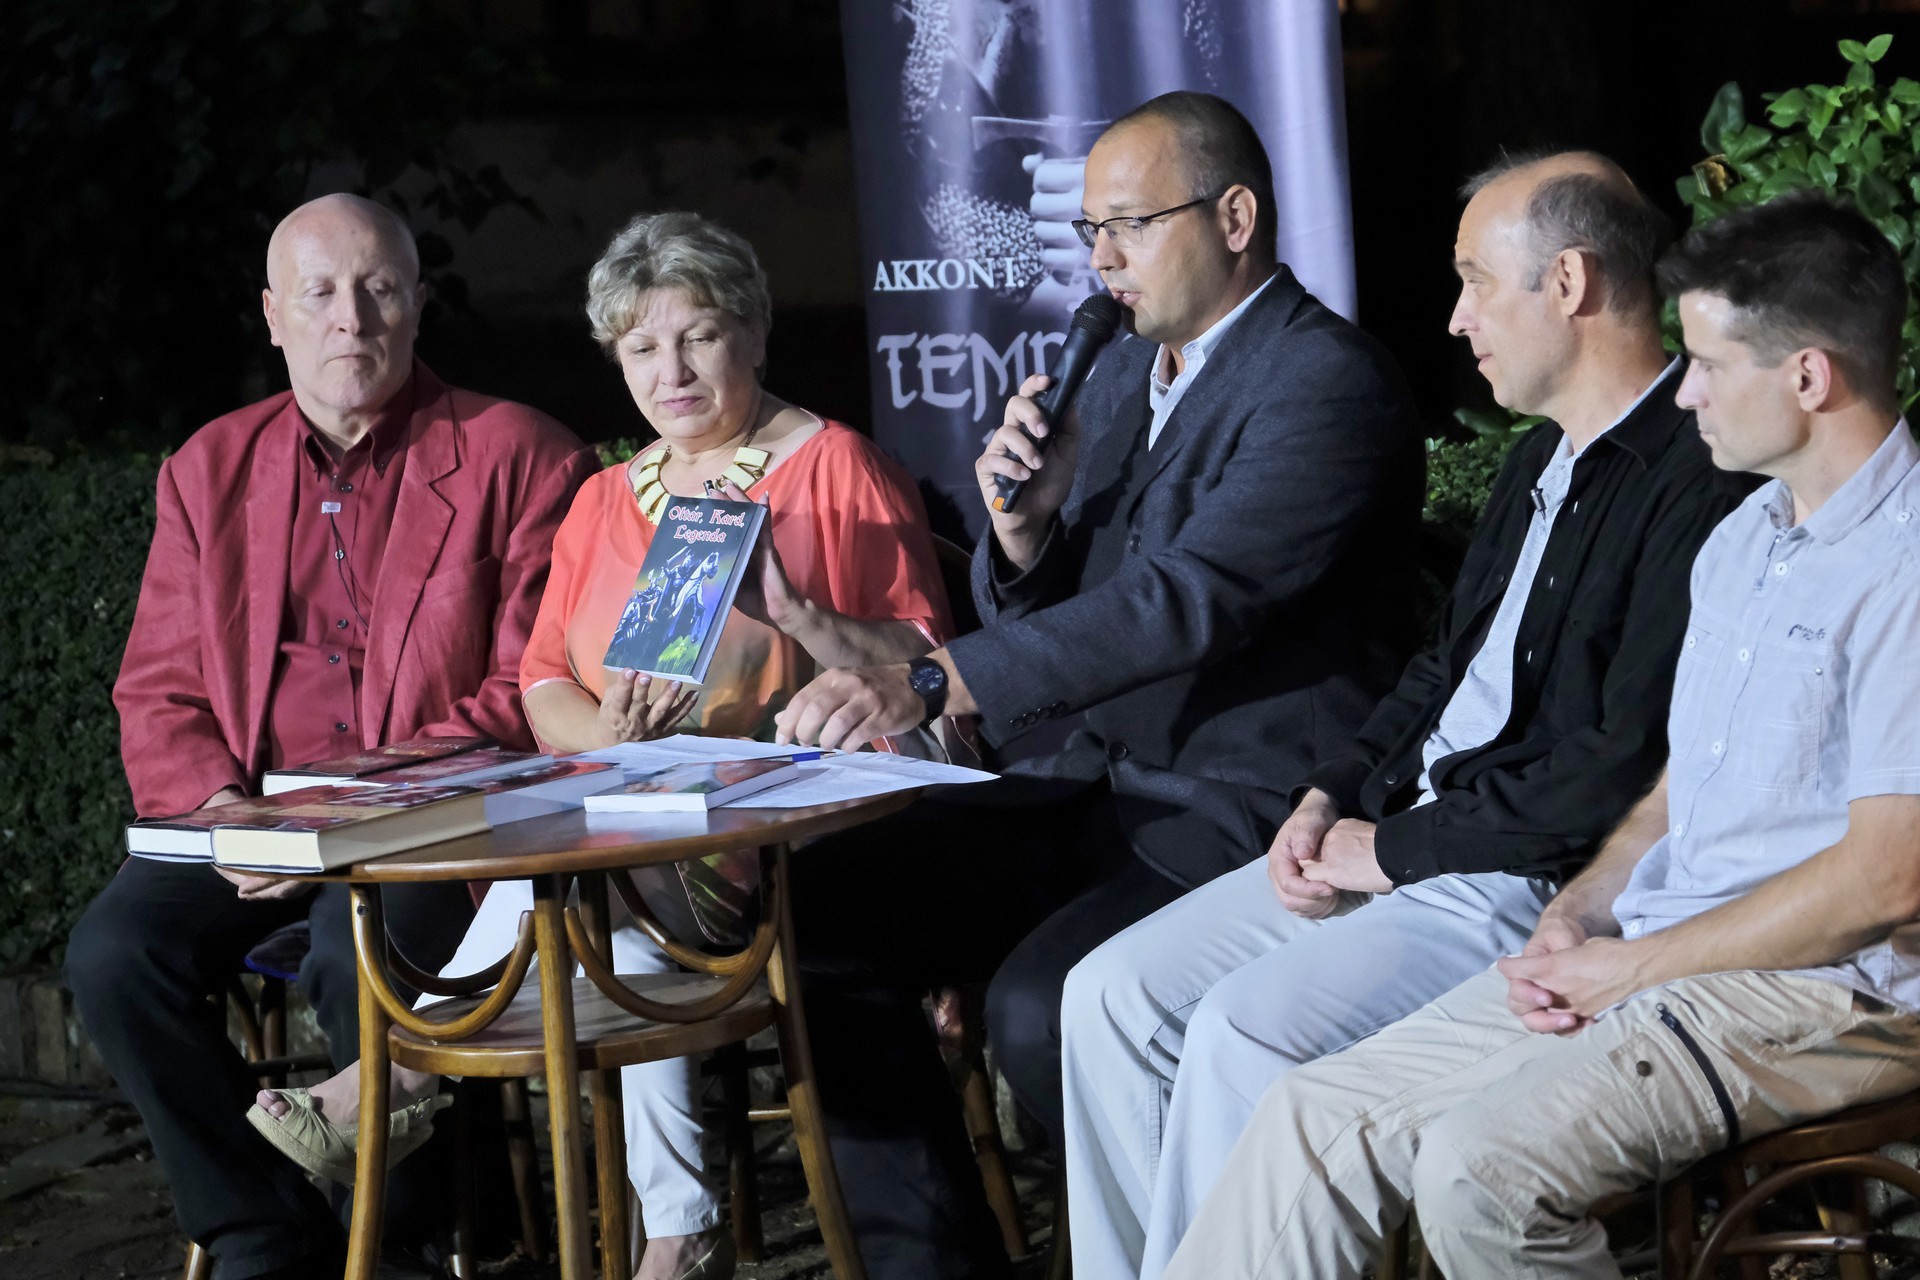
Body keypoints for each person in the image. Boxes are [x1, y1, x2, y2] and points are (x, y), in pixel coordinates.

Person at [1162, 192, 1920, 1280]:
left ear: (1808, 377)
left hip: (1828, 992)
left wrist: (1633, 963)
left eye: (1709, 364)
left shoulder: (1903, 565)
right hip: (1665, 952)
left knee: (1479, 1170)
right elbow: (1678, 789)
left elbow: (1889, 878)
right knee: (1307, 1116)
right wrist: (1582, 911)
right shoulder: (1747, 538)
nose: (1685, 390)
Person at [1056, 150, 1762, 1279]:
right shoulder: (1536, 458)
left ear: (1569, 284)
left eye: (1475, 281)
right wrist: (1329, 795)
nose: (1454, 318)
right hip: (1403, 839)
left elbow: (1621, 766)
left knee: (1243, 1031)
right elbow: (1439, 672)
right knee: (1108, 994)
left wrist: (1388, 850)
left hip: (1526, 877)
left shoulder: (1705, 476)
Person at [771, 91, 1426, 1279]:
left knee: (1040, 1005)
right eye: (1091, 231)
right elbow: (1062, 613)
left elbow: (1187, 600)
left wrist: (933, 677)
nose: (1102, 258)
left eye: (1130, 224)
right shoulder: (1120, 373)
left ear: (1235, 217)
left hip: (1240, 804)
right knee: (821, 909)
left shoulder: (1326, 382)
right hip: (1094, 783)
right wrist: (1025, 535)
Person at [255, 210, 953, 1280]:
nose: (671, 372)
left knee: (587, 872)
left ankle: (397, 1076)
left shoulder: (833, 466)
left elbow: (927, 664)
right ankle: (679, 1236)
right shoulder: (603, 499)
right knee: (615, 940)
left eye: (699, 337)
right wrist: (612, 733)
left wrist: (803, 617)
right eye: (641, 347)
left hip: (800, 831)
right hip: (641, 837)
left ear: (755, 333)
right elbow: (543, 681)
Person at [64, 193, 598, 1280]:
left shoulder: (522, 456)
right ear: (274, 316)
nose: (351, 318)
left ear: (417, 304)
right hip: (253, 821)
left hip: (436, 823)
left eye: (379, 289)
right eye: (319, 293)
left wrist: (343, 812)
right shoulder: (207, 468)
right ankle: (264, 1231)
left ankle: (409, 1242)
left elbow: (525, 691)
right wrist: (225, 811)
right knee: (114, 957)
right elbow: (160, 687)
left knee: (362, 960)